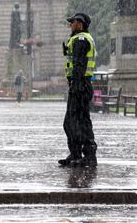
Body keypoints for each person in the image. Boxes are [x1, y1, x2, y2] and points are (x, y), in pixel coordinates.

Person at [58, 13, 97, 167]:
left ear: (80, 24)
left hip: (80, 85)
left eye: (72, 22)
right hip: (79, 84)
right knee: (73, 122)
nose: (70, 25)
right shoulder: (79, 39)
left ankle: (88, 156)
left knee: (78, 122)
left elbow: (80, 64)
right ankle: (76, 154)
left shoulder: (81, 39)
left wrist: (76, 84)